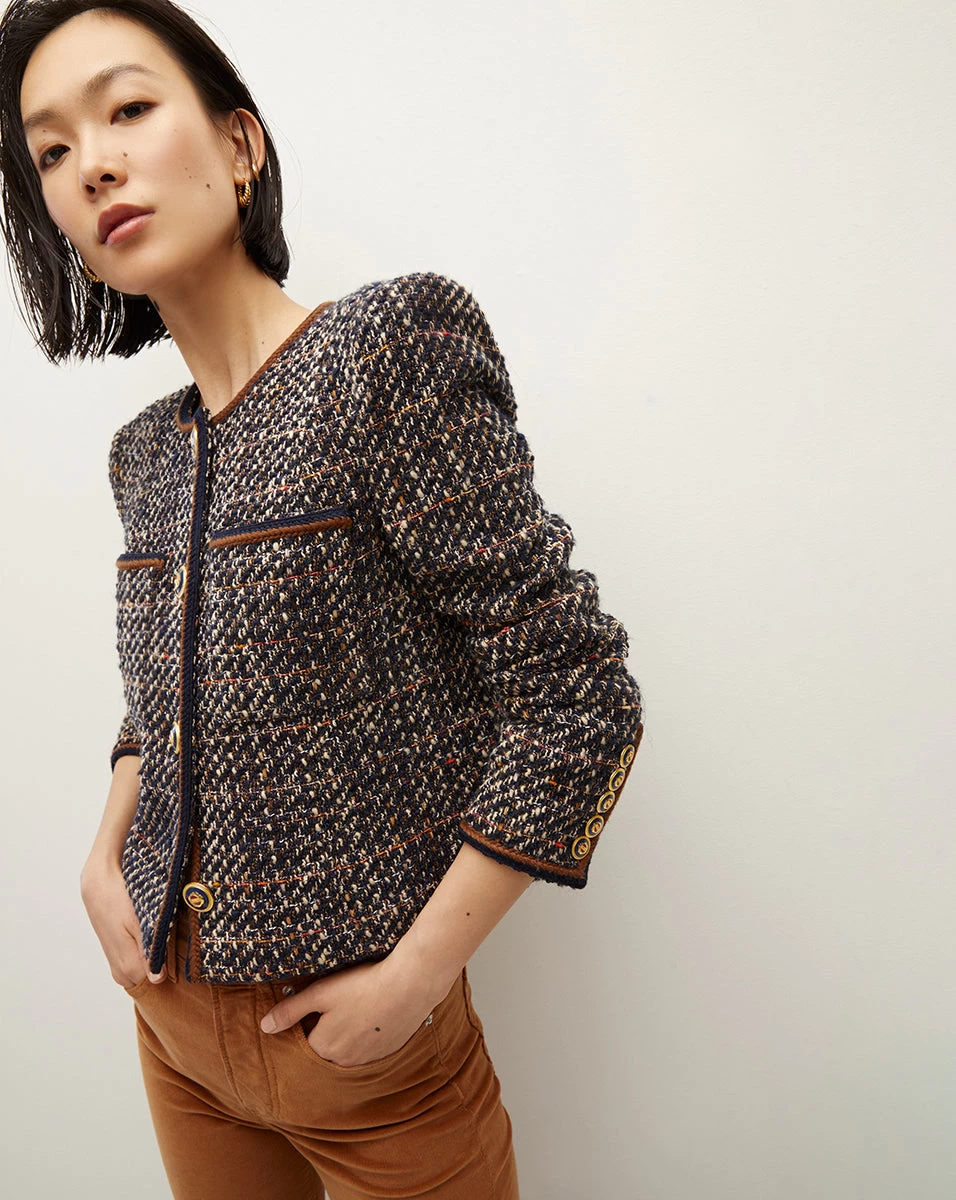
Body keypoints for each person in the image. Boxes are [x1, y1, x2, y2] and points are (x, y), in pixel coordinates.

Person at [0, 1, 645, 1196]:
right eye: (51, 150)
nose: (92, 163)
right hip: (174, 1033)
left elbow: (576, 693)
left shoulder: (381, 353)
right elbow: (167, 697)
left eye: (128, 108)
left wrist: (414, 980)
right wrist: (104, 852)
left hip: (373, 1063)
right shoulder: (143, 455)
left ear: (238, 144)